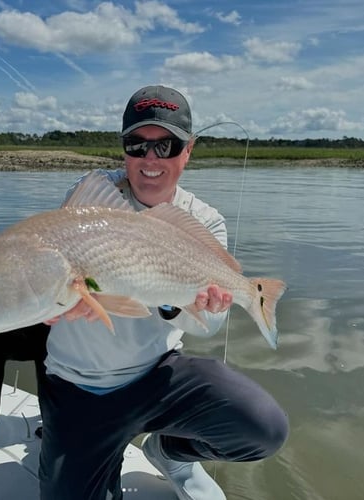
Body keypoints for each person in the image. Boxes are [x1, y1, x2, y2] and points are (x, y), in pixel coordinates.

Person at [37, 85, 288, 500]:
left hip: (159, 377)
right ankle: (94, 450)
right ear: (123, 150)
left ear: (187, 151)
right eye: (137, 144)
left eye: (165, 146)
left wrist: (184, 299)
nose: (150, 160)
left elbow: (208, 326)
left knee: (264, 428)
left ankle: (170, 448)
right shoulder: (91, 196)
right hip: (80, 389)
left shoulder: (205, 220)